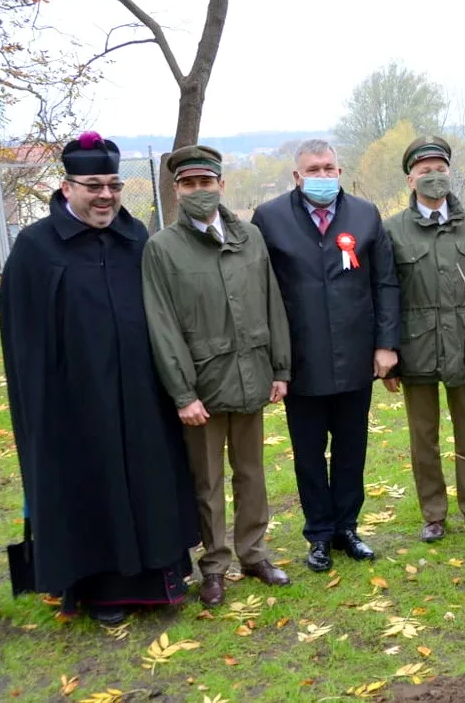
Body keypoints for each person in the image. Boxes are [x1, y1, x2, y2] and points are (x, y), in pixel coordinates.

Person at [0, 132, 199, 625]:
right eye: (93, 185)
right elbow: (22, 341)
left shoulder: (136, 239)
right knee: (93, 485)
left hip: (141, 394)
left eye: (113, 184)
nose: (106, 195)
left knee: (149, 479)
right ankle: (102, 592)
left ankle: (158, 580)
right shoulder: (36, 248)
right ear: (67, 188)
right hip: (75, 402)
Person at [142, 145, 292, 608]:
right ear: (177, 190)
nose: (199, 192)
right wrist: (183, 393)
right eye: (189, 184)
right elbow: (161, 325)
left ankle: (254, 553)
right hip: (202, 386)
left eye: (206, 183)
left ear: (221, 184)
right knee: (206, 483)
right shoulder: (162, 248)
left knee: (252, 474)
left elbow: (273, 303)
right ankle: (214, 566)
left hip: (251, 374)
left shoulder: (250, 237)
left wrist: (280, 367)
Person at [251, 140, 400, 572]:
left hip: (356, 355)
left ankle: (347, 528)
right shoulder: (271, 218)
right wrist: (275, 360)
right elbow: (264, 291)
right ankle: (318, 533)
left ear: (340, 170)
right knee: (309, 452)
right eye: (313, 169)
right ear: (297, 177)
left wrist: (386, 344)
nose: (322, 175)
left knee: (352, 448)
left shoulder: (365, 215)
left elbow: (385, 283)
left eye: (329, 167)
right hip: (301, 361)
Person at [381, 136, 465, 542]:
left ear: (449, 173)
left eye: (440, 170)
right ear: (410, 179)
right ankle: (433, 513)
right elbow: (386, 294)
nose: (434, 177)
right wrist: (390, 355)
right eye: (425, 171)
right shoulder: (393, 230)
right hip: (416, 347)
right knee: (423, 437)